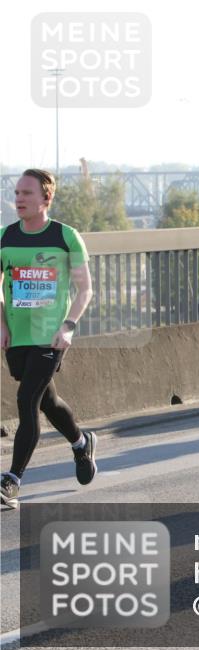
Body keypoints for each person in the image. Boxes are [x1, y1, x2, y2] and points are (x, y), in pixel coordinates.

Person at [1, 169, 97, 509]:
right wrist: (2, 324)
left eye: (27, 193)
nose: (19, 198)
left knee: (27, 399)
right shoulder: (5, 236)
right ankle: (80, 442)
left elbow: (85, 289)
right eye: (16, 192)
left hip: (50, 335)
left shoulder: (65, 236)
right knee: (47, 401)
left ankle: (11, 481)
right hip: (17, 335)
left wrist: (68, 324)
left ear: (46, 198)